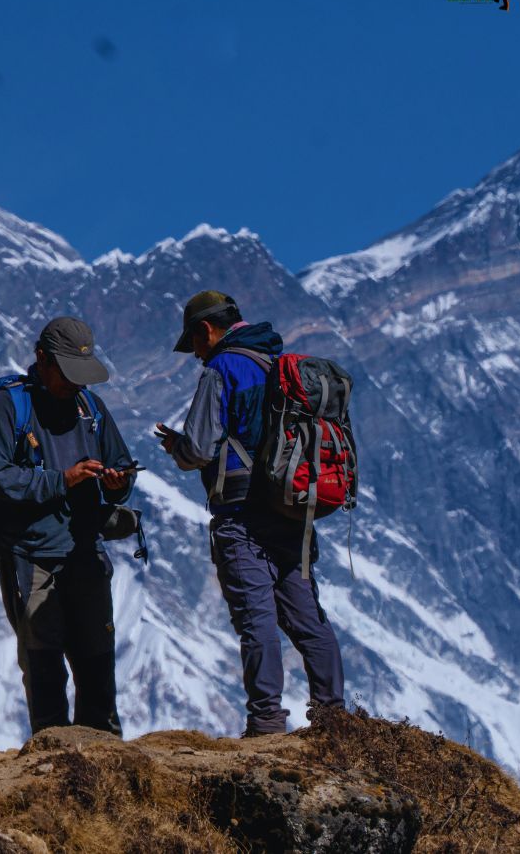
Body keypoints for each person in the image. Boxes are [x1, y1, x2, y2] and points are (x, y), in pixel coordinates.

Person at [155, 291, 344, 736]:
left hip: (241, 513)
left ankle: (266, 722)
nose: (196, 354)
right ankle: (335, 721)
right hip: (291, 509)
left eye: (195, 343)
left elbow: (199, 448)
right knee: (306, 615)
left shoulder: (222, 368)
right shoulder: (280, 364)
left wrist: (175, 446)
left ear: (206, 330)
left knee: (256, 619)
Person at [0, 316, 137, 735]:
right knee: (44, 663)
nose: (75, 384)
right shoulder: (7, 409)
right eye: (67, 373)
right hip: (31, 555)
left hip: (85, 549)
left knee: (97, 656)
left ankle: (103, 749)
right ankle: (53, 752)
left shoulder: (90, 409)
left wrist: (119, 484)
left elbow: (119, 463)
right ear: (42, 359)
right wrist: (62, 480)